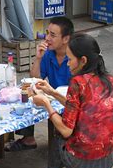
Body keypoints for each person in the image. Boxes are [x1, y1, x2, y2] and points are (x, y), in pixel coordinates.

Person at [32, 34, 113, 168]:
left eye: (70, 59)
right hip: (109, 158)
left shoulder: (77, 82)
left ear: (83, 61)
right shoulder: (110, 80)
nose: (67, 64)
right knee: (66, 121)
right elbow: (80, 108)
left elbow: (66, 130)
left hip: (81, 163)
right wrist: (52, 92)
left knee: (58, 128)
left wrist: (46, 103)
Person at [5, 17, 73, 152]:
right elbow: (35, 78)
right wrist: (38, 57)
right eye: (47, 33)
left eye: (52, 35)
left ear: (66, 39)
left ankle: (63, 146)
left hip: (71, 100)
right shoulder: (48, 54)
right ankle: (28, 138)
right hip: (54, 96)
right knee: (26, 93)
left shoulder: (74, 56)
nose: (47, 38)